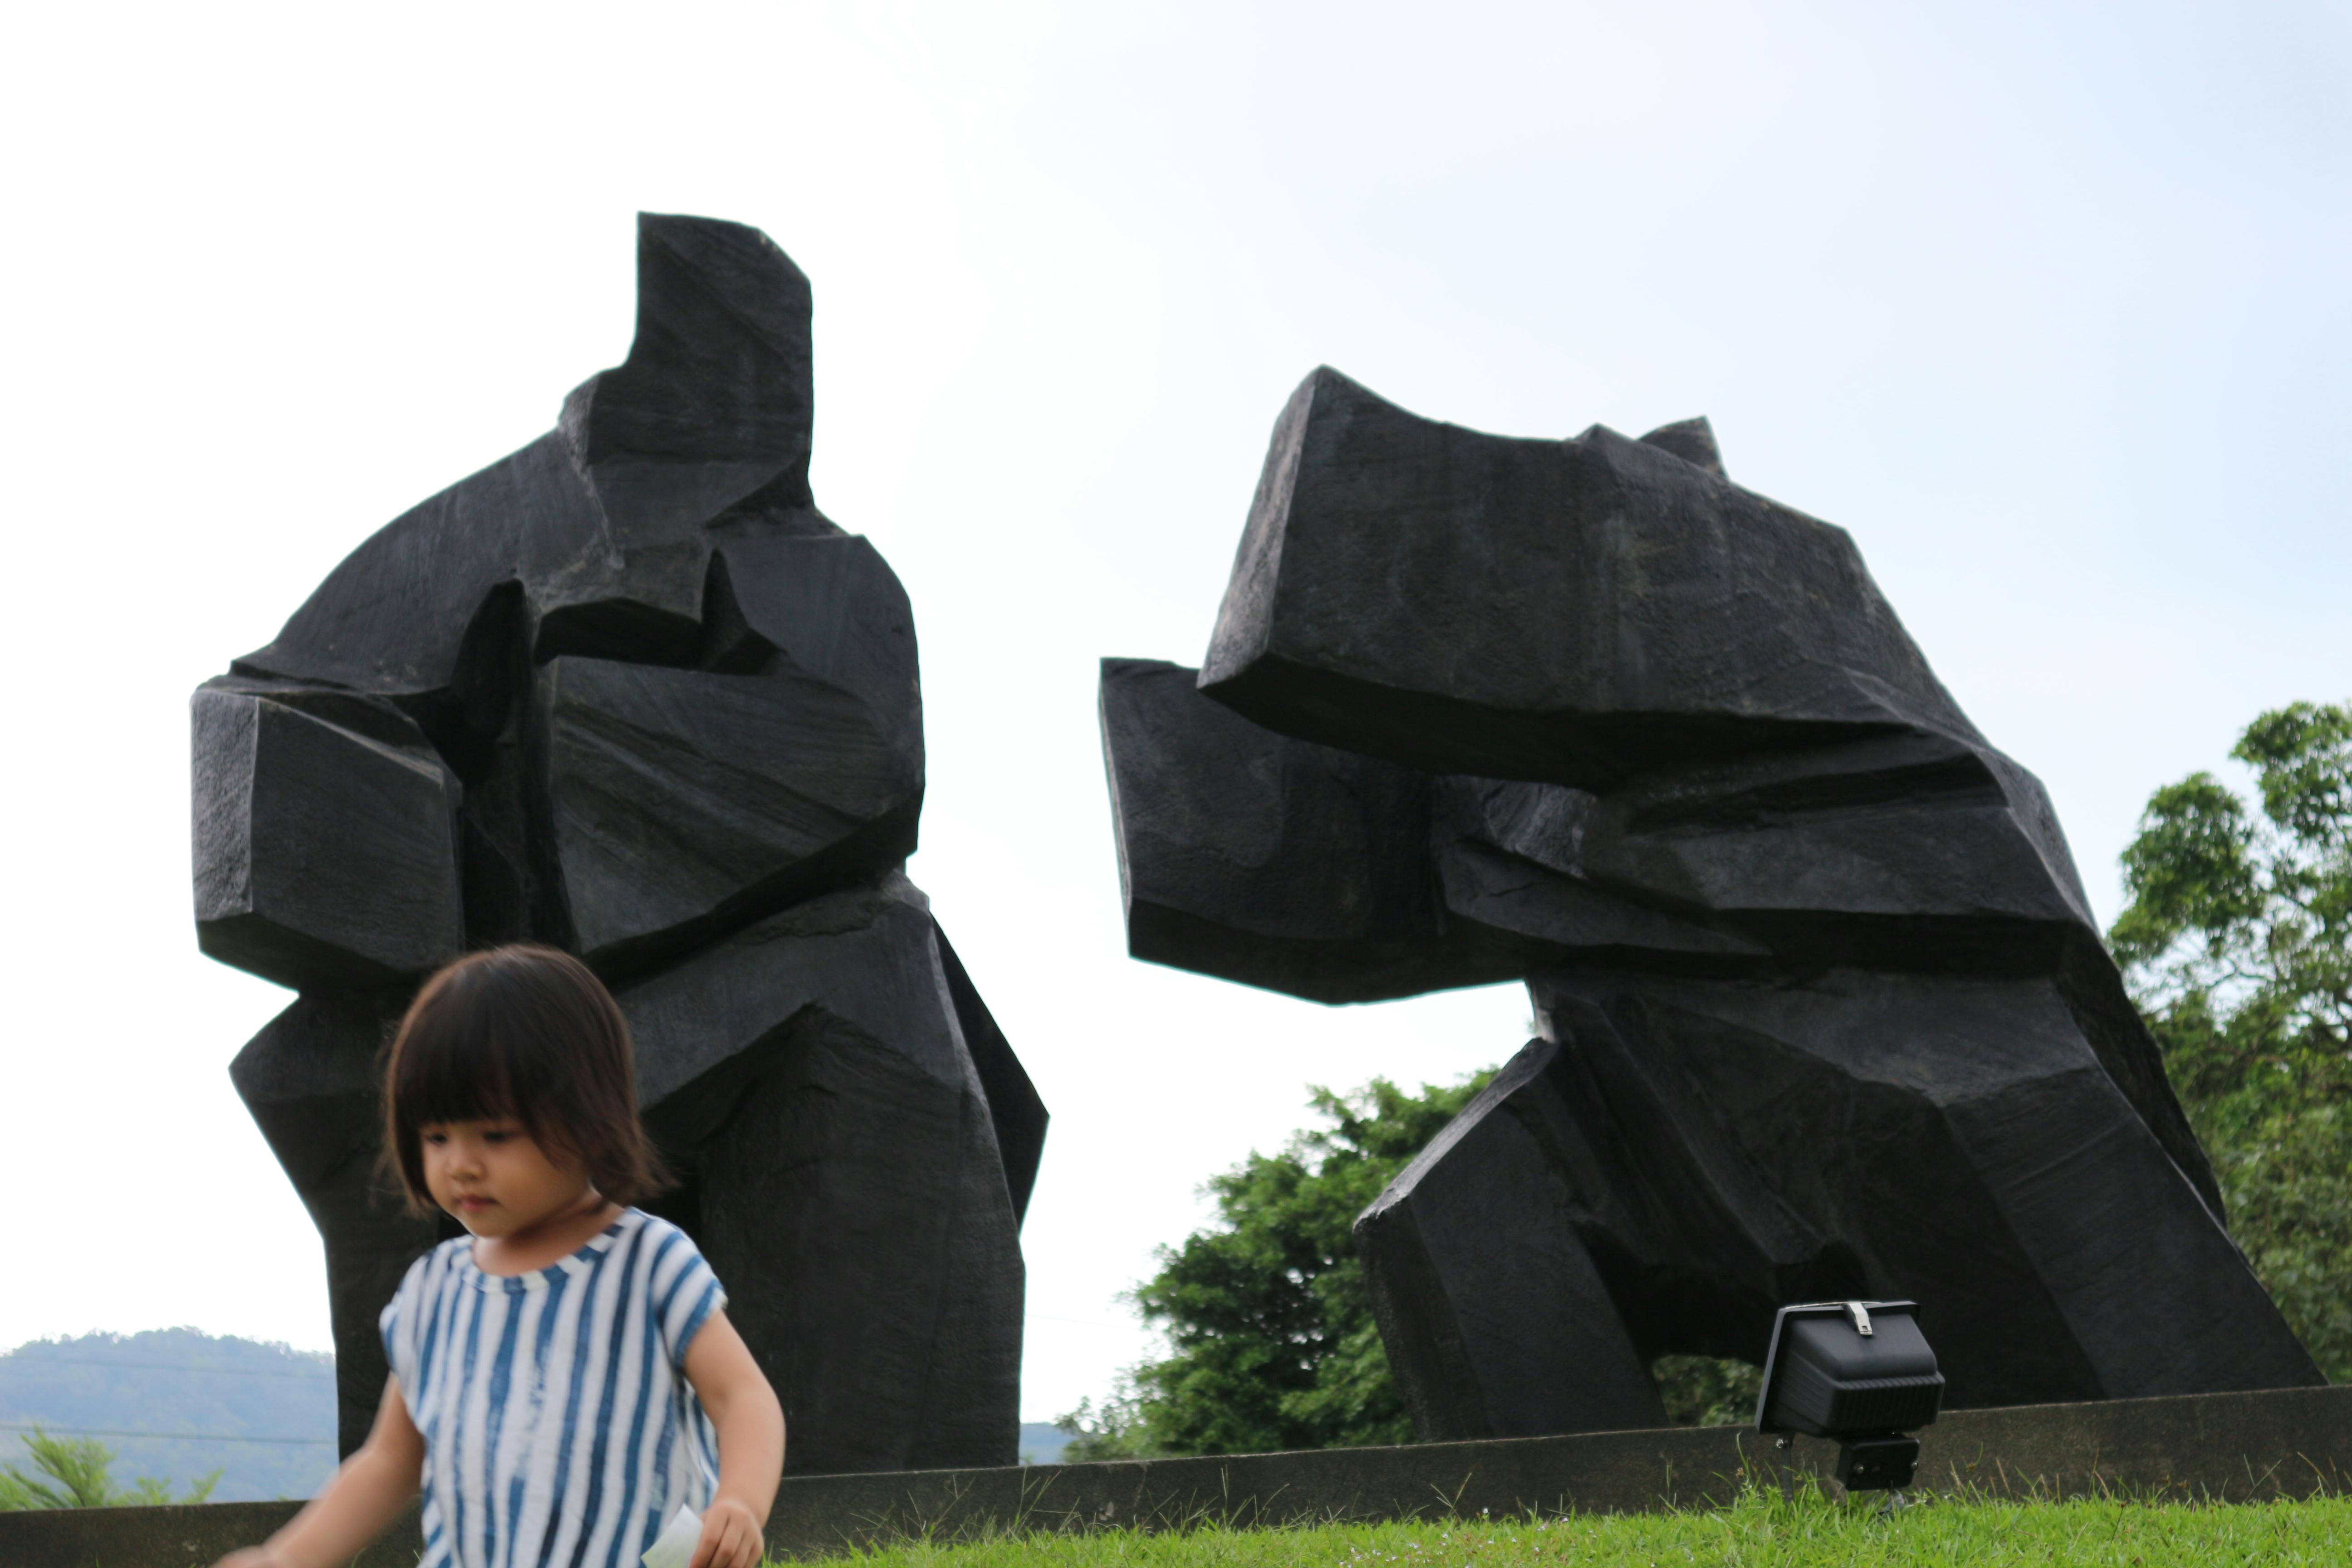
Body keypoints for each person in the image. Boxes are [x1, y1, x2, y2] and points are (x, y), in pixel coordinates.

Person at [218, 946, 786, 1568]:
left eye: (495, 1135)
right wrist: (285, 1559)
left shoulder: (649, 1263)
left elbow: (743, 1399)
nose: (460, 1163)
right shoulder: (433, 1293)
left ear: (589, 1121)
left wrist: (740, 1501)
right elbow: (389, 1462)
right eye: (436, 1137)